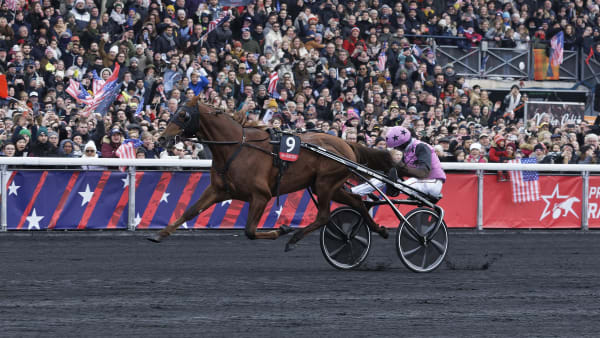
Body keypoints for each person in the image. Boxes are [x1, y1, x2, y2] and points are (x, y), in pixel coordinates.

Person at [352, 126, 446, 198]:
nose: (396, 149)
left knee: (410, 182)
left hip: (432, 182)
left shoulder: (421, 147)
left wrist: (399, 168)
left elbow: (423, 173)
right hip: (421, 182)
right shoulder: (408, 151)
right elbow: (401, 170)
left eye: (396, 147)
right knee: (383, 177)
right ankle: (354, 192)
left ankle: (395, 189)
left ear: (402, 144)